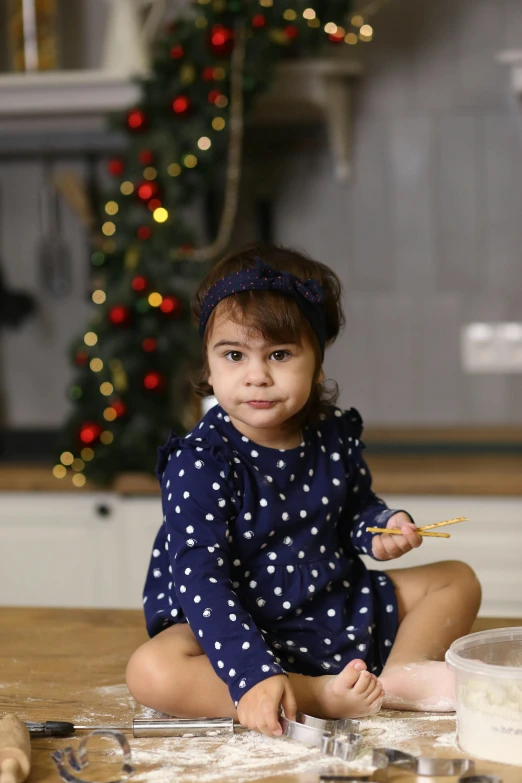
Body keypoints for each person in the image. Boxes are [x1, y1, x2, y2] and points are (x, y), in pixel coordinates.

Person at [126, 242, 481, 737]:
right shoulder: (201, 462)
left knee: (456, 578)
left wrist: (379, 529)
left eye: (279, 354)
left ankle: (400, 674)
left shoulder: (331, 435)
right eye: (234, 355)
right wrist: (250, 675)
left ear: (315, 366)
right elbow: (200, 578)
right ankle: (317, 693)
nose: (257, 375)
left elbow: (355, 506)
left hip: (329, 601)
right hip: (241, 625)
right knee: (151, 670)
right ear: (209, 367)